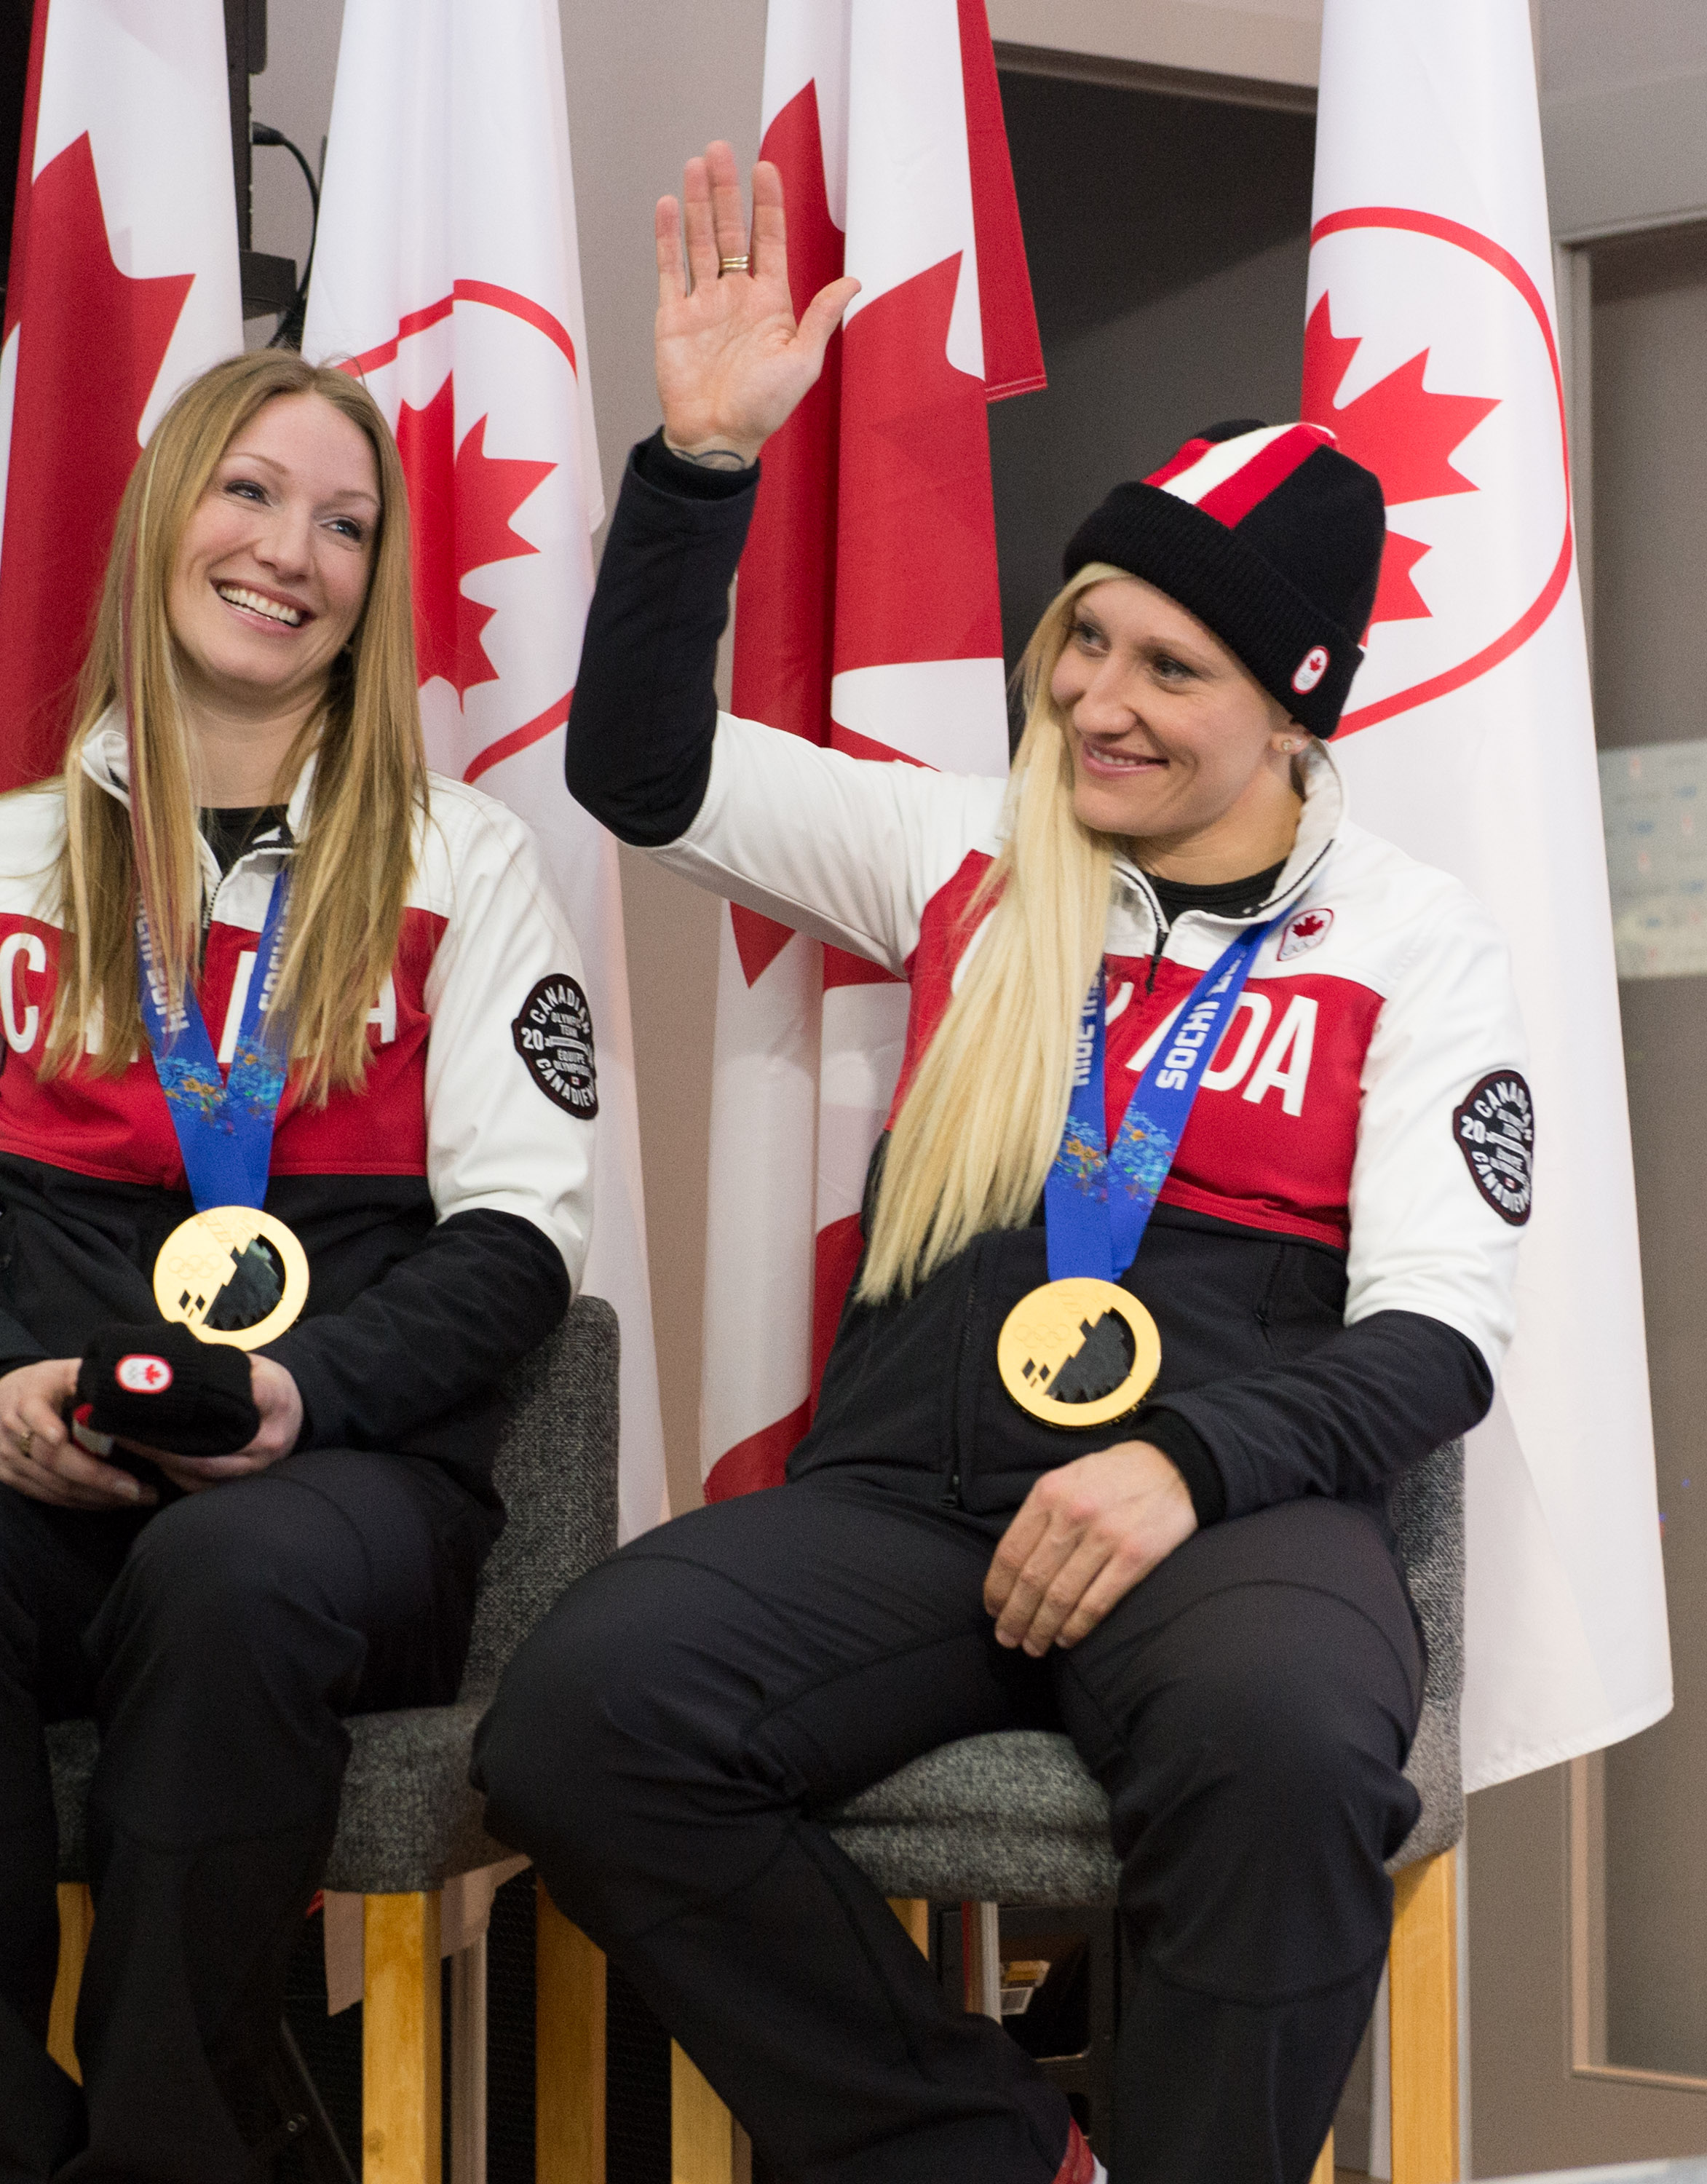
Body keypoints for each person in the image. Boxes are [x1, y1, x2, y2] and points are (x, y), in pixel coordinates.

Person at [472, 143, 1530, 2184]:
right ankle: (986, 2157)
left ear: (1297, 711)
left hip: (1213, 1509)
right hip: (912, 1501)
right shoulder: (967, 843)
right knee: (580, 1723)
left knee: (1295, 1754)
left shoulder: (1409, 940)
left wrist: (1180, 1468)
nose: (1093, 700)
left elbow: (1437, 1339)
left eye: (1168, 669)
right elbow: (642, 769)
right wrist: (699, 469)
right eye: (1086, 637)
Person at [0, 350, 596, 2184]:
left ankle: (173, 2155)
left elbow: (522, 1233)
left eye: (347, 523)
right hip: (43, 1470)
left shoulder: (466, 859)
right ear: (161, 521)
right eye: (250, 494)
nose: (293, 549)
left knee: (230, 1574)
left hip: (342, 1488)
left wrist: (314, 1396)